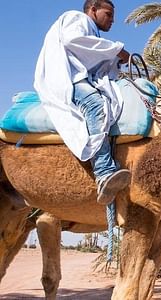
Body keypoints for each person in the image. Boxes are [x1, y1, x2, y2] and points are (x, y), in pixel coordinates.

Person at [34, 0, 131, 205]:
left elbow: (90, 58)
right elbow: (73, 40)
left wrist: (115, 60)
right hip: (69, 80)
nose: (112, 20)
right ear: (93, 10)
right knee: (97, 106)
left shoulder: (92, 32)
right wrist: (116, 50)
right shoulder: (76, 18)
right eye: (109, 14)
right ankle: (104, 172)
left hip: (82, 78)